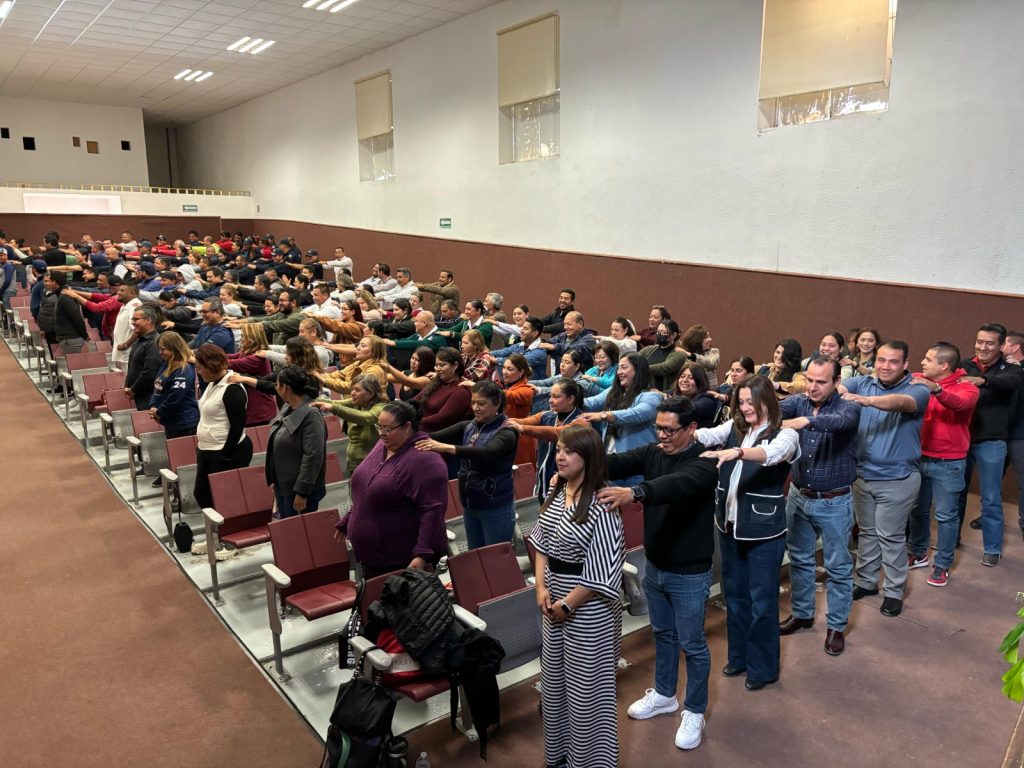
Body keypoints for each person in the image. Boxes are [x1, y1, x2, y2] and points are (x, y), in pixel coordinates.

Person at [596, 398, 718, 751]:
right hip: (656, 565)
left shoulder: (705, 462)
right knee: (663, 635)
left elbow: (675, 485)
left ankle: (695, 710)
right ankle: (665, 695)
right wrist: (577, 456)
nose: (661, 435)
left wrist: (634, 492)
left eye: (669, 430)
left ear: (691, 429)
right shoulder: (653, 451)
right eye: (658, 428)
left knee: (693, 644)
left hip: (689, 572)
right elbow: (615, 461)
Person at [698, 377, 799, 691]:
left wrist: (737, 452)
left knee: (762, 601)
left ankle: (763, 667)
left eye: (750, 402)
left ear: (767, 401)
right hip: (729, 527)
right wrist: (678, 430)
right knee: (735, 596)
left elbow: (772, 454)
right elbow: (704, 435)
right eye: (740, 402)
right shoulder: (734, 427)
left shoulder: (786, 433)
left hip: (764, 532)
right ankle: (739, 657)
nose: (745, 408)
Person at [532, 425, 625, 768]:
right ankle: (558, 755)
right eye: (558, 449)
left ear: (588, 457)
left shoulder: (602, 503)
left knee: (587, 692)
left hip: (588, 607)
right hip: (553, 598)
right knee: (554, 685)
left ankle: (588, 761)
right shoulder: (558, 490)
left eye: (569, 451)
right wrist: (541, 588)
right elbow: (541, 543)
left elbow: (602, 571)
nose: (560, 456)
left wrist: (568, 605)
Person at [840, 341, 931, 617]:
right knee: (867, 532)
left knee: (890, 536)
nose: (885, 366)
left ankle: (893, 591)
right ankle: (866, 581)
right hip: (862, 475)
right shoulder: (863, 382)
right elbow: (839, 387)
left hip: (897, 479)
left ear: (905, 364)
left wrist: (866, 401)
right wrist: (839, 390)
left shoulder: (917, 388)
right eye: (881, 360)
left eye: (893, 361)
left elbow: (902, 403)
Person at [778, 357, 860, 656]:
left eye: (821, 382)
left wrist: (806, 421)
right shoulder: (798, 401)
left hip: (834, 501)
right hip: (799, 496)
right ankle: (803, 613)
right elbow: (771, 409)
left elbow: (841, 422)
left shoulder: (847, 406)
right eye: (810, 380)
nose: (812, 387)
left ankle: (836, 627)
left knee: (838, 568)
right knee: (799, 559)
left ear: (837, 382)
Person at [337, 400, 449, 577]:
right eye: (379, 427)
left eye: (387, 429)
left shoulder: (427, 461)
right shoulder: (383, 445)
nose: (381, 433)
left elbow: (433, 511)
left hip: (402, 561)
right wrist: (349, 519)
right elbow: (367, 490)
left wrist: (422, 553)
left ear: (407, 427)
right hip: (371, 557)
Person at [907, 343, 979, 587]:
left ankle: (942, 564)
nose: (922, 362)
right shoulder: (919, 379)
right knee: (918, 510)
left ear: (944, 365)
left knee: (946, 516)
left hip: (949, 462)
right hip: (919, 457)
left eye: (928, 359)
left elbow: (960, 404)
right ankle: (918, 553)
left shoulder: (967, 387)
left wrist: (936, 389)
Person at [417, 380, 519, 549]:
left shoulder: (507, 431)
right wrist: (407, 432)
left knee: (494, 558)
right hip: (470, 504)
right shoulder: (469, 426)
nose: (475, 408)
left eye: (481, 404)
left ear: (497, 404)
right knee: (475, 555)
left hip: (495, 506)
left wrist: (447, 448)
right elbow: (433, 436)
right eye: (473, 403)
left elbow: (487, 452)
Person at [958, 323, 1024, 566]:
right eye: (979, 341)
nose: (983, 347)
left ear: (1001, 345)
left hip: (992, 442)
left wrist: (982, 381)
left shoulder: (1012, 369)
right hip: (962, 440)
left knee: (991, 497)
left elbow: (1009, 384)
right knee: (957, 494)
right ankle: (951, 540)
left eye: (989, 343)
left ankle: (993, 548)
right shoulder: (964, 364)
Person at [581, 353, 661, 485]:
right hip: (612, 462)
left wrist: (604, 415)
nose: (619, 372)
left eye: (624, 367)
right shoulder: (614, 391)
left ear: (638, 370)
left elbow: (637, 414)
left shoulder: (651, 396)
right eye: (618, 368)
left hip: (637, 467)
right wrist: (566, 398)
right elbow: (591, 402)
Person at [193, 343, 254, 513]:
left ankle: (223, 527)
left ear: (211, 366)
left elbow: (237, 426)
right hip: (208, 449)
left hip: (226, 451)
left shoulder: (232, 389)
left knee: (224, 499)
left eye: (200, 368)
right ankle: (217, 526)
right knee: (202, 494)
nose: (198, 372)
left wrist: (225, 456)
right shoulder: (213, 382)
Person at [265, 365, 328, 518]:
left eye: (277, 384)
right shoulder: (288, 407)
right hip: (284, 485)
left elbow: (312, 456)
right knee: (287, 530)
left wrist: (302, 492)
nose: (276, 388)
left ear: (285, 387)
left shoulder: (311, 415)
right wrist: (275, 479)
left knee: (298, 532)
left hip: (299, 491)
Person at [508, 377, 585, 500]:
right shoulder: (547, 415)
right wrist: (503, 421)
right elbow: (523, 421)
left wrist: (522, 428)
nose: (550, 400)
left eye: (556, 397)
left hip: (568, 484)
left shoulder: (582, 420)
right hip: (543, 480)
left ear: (571, 399)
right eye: (550, 396)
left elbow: (558, 433)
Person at [312, 374, 387, 474]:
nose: (352, 393)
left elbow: (367, 417)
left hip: (373, 466)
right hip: (354, 465)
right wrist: (307, 399)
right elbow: (334, 403)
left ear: (371, 393)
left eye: (357, 390)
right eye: (352, 389)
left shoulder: (381, 407)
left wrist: (334, 408)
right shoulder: (357, 402)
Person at [149, 331, 201, 440]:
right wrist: (153, 406)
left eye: (163, 349)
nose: (160, 352)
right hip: (171, 422)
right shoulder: (166, 363)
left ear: (174, 348)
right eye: (159, 349)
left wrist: (159, 412)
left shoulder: (184, 368)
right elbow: (158, 387)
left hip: (185, 423)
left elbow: (176, 397)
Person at [226, 324, 279, 426]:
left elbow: (231, 363)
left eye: (243, 336)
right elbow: (229, 357)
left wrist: (204, 357)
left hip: (259, 410)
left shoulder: (256, 359)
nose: (241, 339)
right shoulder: (246, 353)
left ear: (251, 339)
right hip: (253, 408)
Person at [416, 347, 472, 432]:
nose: (437, 369)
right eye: (436, 365)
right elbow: (415, 401)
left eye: (442, 365)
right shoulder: (436, 383)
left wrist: (414, 423)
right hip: (420, 428)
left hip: (436, 435)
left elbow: (441, 418)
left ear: (455, 365)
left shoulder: (461, 392)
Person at [317, 335, 389, 395]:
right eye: (359, 345)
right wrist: (317, 376)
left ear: (374, 352)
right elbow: (340, 374)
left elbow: (351, 387)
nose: (358, 348)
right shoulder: (359, 362)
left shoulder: (375, 370)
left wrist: (324, 380)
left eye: (363, 346)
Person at [500, 354, 538, 466]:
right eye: (503, 368)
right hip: (507, 436)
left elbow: (510, 396)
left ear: (521, 372)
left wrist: (484, 388)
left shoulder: (527, 390)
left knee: (519, 473)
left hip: (520, 438)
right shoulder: (508, 386)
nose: (504, 372)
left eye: (509, 369)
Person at [123, 304, 163, 410]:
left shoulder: (154, 342)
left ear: (148, 320)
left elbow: (150, 372)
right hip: (141, 395)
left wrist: (134, 389)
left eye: (136, 319)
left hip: (149, 396)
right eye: (132, 319)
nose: (133, 322)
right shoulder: (141, 340)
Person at [488, 315, 547, 379]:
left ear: (535, 333)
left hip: (531, 384)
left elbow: (516, 362)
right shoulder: (520, 345)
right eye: (522, 327)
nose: (521, 331)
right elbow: (504, 351)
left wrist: (496, 360)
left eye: (525, 329)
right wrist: (487, 354)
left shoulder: (540, 352)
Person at [639, 319, 686, 392]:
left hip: (665, 394)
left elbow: (664, 368)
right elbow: (634, 359)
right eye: (658, 332)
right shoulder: (649, 350)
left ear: (673, 335)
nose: (659, 334)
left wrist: (641, 367)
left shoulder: (679, 354)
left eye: (663, 332)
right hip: (645, 391)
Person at [671, 362, 721, 428]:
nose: (685, 380)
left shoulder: (707, 401)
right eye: (682, 376)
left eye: (691, 378)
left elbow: (685, 411)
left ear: (700, 381)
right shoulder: (672, 394)